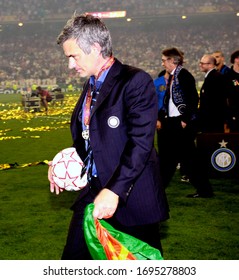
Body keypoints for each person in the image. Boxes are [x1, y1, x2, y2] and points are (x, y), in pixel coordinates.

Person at [48, 13, 169, 260]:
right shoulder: (91, 85)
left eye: (74, 56)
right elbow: (92, 138)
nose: (71, 64)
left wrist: (114, 190)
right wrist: (65, 163)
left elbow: (140, 144)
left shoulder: (135, 81)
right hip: (93, 194)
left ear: (95, 48)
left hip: (131, 199)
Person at [158, 47, 213, 198]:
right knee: (179, 160)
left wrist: (185, 120)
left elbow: (193, 99)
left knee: (177, 160)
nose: (162, 63)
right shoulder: (175, 76)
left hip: (179, 125)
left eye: (164, 60)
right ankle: (204, 190)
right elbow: (171, 102)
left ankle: (158, 189)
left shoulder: (183, 76)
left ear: (171, 60)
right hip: (174, 123)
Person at [198, 54, 228, 133]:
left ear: (210, 65)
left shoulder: (216, 77)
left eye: (202, 63)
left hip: (213, 121)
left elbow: (219, 101)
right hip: (209, 121)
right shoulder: (211, 76)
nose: (200, 65)